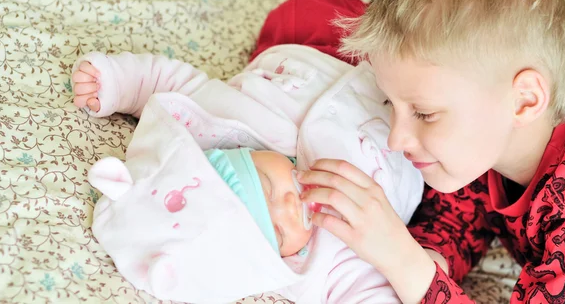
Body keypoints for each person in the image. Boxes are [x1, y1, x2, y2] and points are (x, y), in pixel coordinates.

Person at [253, 0, 565, 303]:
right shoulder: (494, 142)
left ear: (525, 101)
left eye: (425, 114)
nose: (396, 140)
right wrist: (431, 256)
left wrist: (402, 259)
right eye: (391, 103)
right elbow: (461, 214)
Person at [71, 43, 423, 303]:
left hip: (320, 57)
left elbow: (167, 81)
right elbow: (365, 291)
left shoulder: (221, 115)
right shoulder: (329, 253)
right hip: (403, 130)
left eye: (269, 188)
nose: (291, 207)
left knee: (308, 9)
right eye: (282, 235)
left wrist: (118, 83)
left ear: (239, 155)